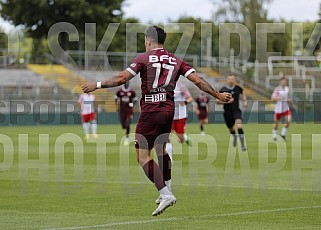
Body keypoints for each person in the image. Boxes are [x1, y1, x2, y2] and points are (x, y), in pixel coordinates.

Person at [81, 26, 232, 216]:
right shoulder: (176, 60)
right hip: (169, 109)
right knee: (161, 149)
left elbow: (122, 78)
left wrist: (96, 84)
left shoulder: (143, 59)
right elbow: (198, 81)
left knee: (142, 156)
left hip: (151, 109)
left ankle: (165, 193)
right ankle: (166, 189)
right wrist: (217, 94)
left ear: (149, 40)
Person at [164, 82, 193, 165]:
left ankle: (185, 137)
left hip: (181, 116)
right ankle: (169, 159)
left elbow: (190, 98)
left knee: (181, 139)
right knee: (167, 138)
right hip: (170, 116)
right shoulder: (163, 87)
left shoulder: (180, 86)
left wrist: (185, 102)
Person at [218, 74, 247, 151]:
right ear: (227, 80)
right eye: (229, 79)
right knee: (231, 129)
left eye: (232, 79)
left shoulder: (237, 88)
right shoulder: (223, 89)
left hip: (236, 111)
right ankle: (234, 137)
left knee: (239, 125)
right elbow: (217, 101)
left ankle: (243, 145)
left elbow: (243, 91)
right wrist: (227, 101)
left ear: (234, 80)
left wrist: (244, 100)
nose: (231, 80)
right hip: (227, 113)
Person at [271, 77, 291, 141]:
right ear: (280, 82)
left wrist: (288, 100)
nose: (284, 83)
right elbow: (273, 99)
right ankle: (274, 136)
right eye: (282, 81)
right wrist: (280, 98)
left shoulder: (287, 89)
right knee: (276, 123)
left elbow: (287, 97)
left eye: (285, 82)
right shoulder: (277, 89)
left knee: (288, 121)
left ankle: (283, 134)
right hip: (278, 109)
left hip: (285, 108)